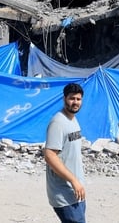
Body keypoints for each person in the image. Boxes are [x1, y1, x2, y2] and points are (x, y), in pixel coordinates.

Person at [43, 83, 86, 223]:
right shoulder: (58, 122)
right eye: (72, 98)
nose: (75, 102)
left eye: (78, 99)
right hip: (63, 191)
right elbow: (50, 155)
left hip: (76, 189)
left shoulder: (73, 119)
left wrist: (77, 182)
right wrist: (73, 180)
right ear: (64, 99)